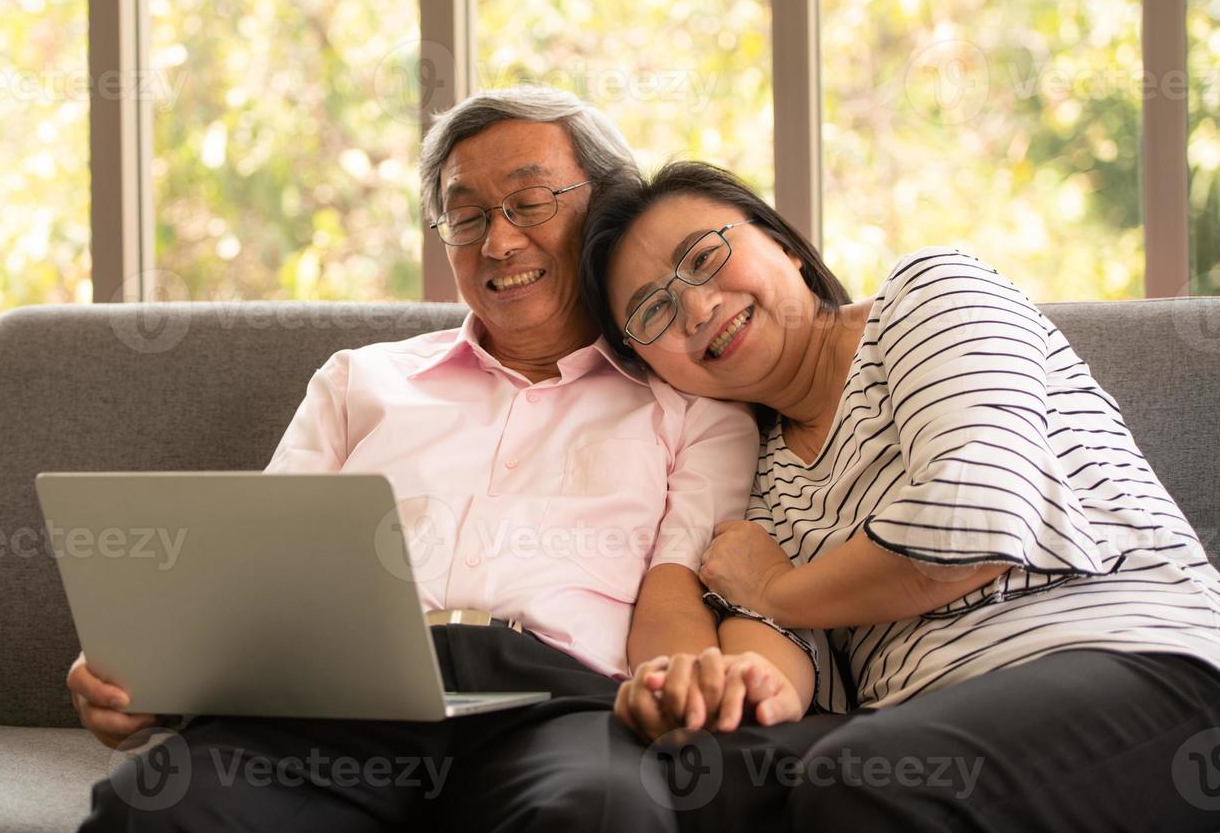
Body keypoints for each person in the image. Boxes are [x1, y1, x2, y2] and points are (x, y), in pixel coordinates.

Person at [68, 91, 814, 832]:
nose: (498, 244)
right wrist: (144, 675)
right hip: (338, 705)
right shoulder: (359, 381)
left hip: (560, 707)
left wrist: (676, 688)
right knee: (155, 805)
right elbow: (252, 578)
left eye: (529, 203)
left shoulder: (693, 406)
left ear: (606, 212)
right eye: (467, 217)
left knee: (601, 812)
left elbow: (676, 590)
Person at [583, 159, 1220, 831]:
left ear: (786, 246)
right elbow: (777, 656)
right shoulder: (757, 474)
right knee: (696, 782)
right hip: (930, 723)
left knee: (860, 780)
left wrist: (778, 588)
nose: (698, 307)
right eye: (654, 309)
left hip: (1143, 662)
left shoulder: (929, 294)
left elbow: (977, 522)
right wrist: (720, 689)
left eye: (706, 258)